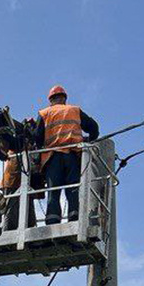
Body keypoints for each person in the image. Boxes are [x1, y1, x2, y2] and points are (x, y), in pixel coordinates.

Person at [36, 85, 100, 224]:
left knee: (53, 191)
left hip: (52, 158)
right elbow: (94, 128)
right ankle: (74, 218)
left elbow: (37, 138)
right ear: (64, 98)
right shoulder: (74, 110)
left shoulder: (44, 113)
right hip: (72, 156)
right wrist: (88, 140)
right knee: (73, 189)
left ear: (50, 100)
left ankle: (52, 220)